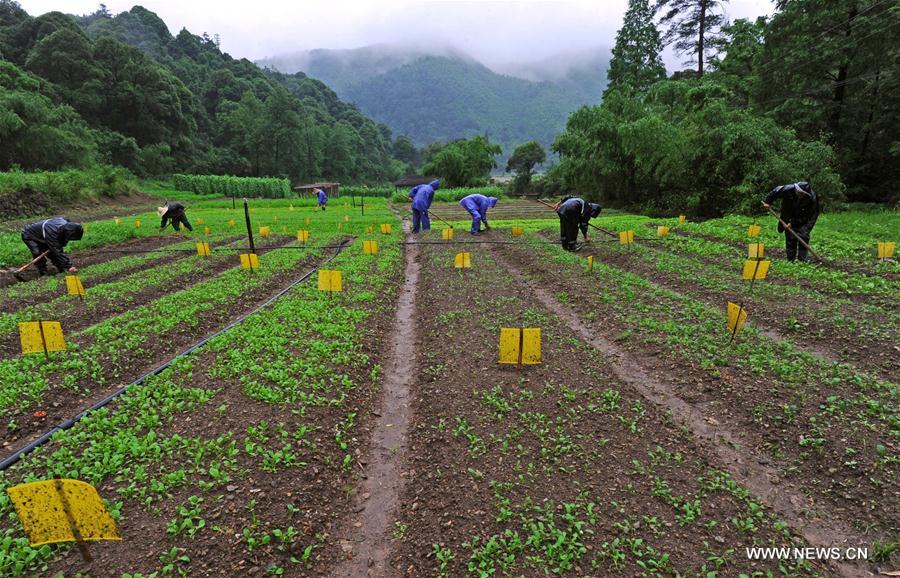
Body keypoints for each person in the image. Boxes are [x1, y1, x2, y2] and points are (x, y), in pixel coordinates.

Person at [762, 181, 820, 262]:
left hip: (805, 218)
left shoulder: (812, 199)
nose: (798, 193)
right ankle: (791, 260)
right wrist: (768, 201)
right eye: (797, 191)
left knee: (803, 234)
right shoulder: (788, 189)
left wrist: (793, 223)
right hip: (788, 213)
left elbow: (807, 216)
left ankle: (802, 260)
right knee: (790, 236)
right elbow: (776, 191)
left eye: (801, 193)